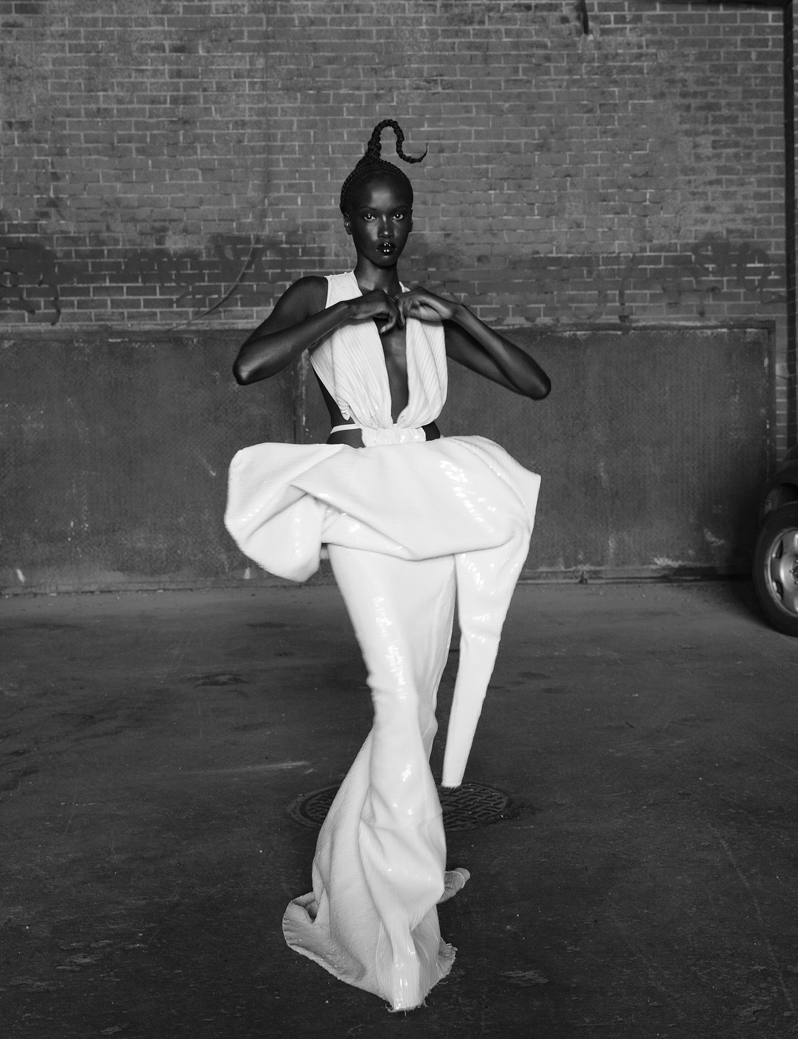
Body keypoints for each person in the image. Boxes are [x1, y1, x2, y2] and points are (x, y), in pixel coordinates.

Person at [224, 119, 550, 1012]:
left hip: (435, 502)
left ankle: (360, 857)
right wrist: (347, 313)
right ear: (347, 219)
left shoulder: (432, 301)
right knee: (396, 697)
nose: (387, 232)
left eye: (399, 215)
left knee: (425, 699)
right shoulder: (317, 292)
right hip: (363, 503)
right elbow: (249, 364)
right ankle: (393, 925)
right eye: (372, 217)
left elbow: (535, 384)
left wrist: (464, 316)